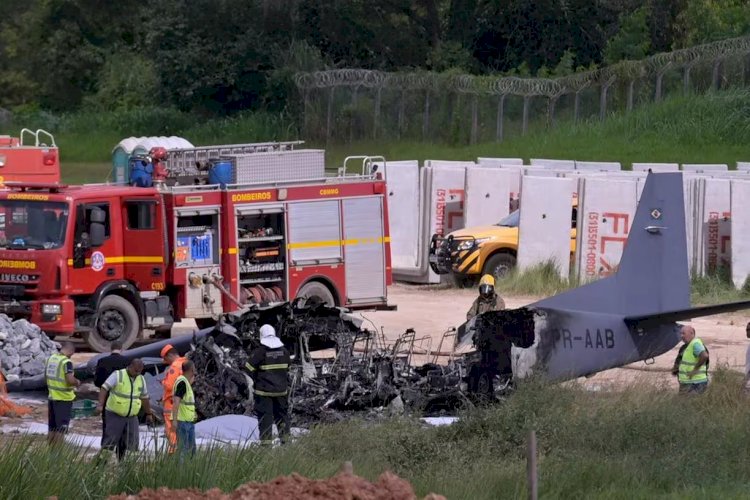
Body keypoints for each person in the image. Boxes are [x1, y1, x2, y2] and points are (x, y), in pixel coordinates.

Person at [97, 358, 153, 461]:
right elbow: (104, 388)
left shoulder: (141, 379)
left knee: (132, 442)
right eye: (136, 370)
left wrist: (148, 413)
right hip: (115, 414)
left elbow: (144, 397)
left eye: (140, 371)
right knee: (110, 441)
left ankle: (126, 466)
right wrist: (100, 405)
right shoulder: (118, 375)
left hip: (132, 416)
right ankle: (100, 465)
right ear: (130, 366)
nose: (137, 373)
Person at [245, 325, 291, 444]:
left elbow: (248, 368)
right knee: (282, 417)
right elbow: (288, 368)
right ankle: (286, 444)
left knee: (266, 419)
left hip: (264, 393)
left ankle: (266, 447)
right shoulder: (284, 352)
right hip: (281, 392)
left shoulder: (260, 352)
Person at [45, 342, 80, 446]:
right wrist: (77, 382)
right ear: (70, 351)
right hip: (63, 399)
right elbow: (69, 380)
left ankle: (50, 453)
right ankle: (58, 456)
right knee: (61, 429)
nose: (71, 356)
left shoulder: (51, 359)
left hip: (52, 397)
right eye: (72, 354)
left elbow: (45, 376)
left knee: (52, 427)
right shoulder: (66, 362)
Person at [93, 341, 129, 445]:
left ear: (111, 349)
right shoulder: (126, 361)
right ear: (121, 349)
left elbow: (97, 381)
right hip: (122, 398)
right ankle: (120, 453)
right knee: (122, 426)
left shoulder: (102, 361)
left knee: (107, 425)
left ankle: (105, 449)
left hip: (106, 396)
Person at [160, 344, 186, 454]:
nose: (167, 362)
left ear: (170, 355)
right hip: (183, 403)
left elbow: (170, 385)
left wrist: (163, 382)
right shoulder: (186, 363)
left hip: (171, 403)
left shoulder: (174, 367)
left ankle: (173, 451)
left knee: (171, 429)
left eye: (166, 359)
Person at [172, 360, 197, 458]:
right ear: (191, 369)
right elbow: (176, 401)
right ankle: (181, 470)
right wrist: (174, 420)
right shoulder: (182, 383)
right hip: (182, 421)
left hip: (188, 421)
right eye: (194, 368)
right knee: (184, 448)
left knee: (191, 448)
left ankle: (189, 469)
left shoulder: (185, 382)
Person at [677, 325, 709, 394]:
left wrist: (694, 370)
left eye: (683, 333)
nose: (681, 336)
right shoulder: (688, 346)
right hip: (689, 383)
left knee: (689, 403)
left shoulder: (695, 343)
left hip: (695, 383)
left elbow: (704, 356)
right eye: (681, 333)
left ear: (691, 333)